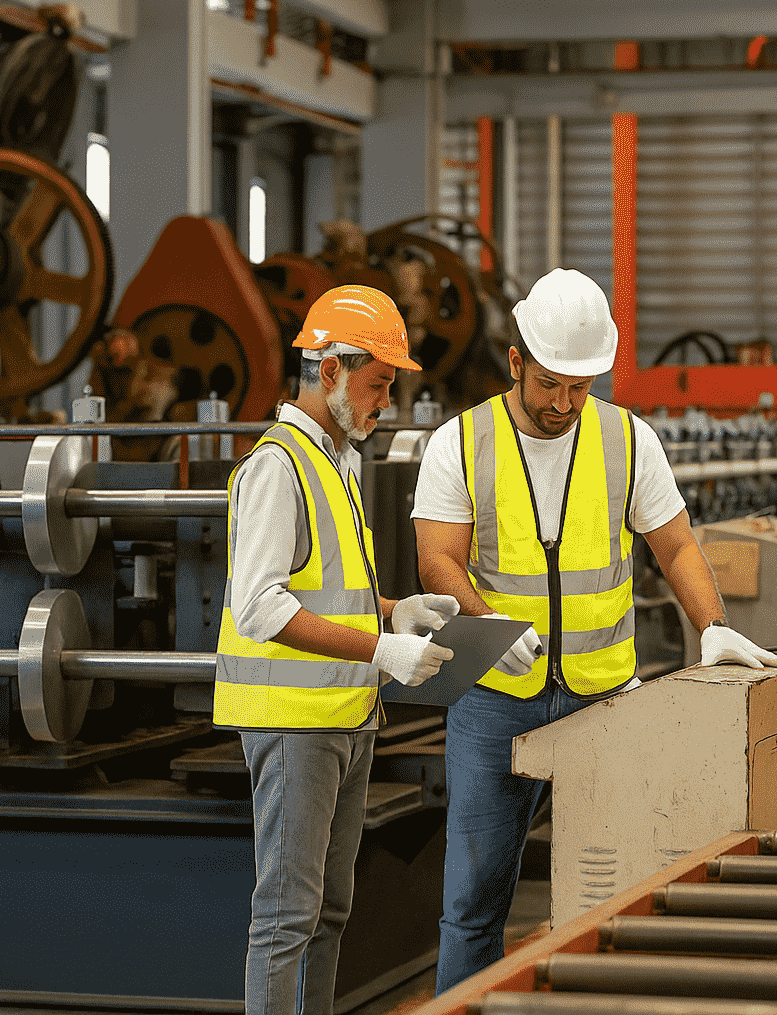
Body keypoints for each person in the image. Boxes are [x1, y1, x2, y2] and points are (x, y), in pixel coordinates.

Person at [412, 268, 777, 993]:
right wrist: (488, 622)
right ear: (516, 361)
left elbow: (675, 545)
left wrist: (712, 625)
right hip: (495, 697)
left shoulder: (628, 439)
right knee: (472, 903)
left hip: (607, 698)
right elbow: (438, 560)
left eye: (580, 387)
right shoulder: (458, 445)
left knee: (619, 894)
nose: (564, 404)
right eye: (550, 384)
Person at [215, 284, 462, 1015]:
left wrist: (397, 611)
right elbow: (261, 606)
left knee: (327, 915)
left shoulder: (337, 460)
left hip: (343, 717)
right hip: (295, 721)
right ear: (330, 371)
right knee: (288, 918)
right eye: (379, 383)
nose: (386, 401)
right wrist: (381, 651)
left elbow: (329, 591)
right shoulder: (278, 467)